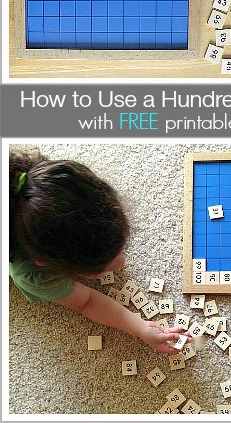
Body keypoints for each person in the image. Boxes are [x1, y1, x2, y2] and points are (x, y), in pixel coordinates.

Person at [9, 148, 189, 354]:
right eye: (100, 269)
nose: (121, 263)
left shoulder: (54, 184)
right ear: (46, 263)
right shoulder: (35, 276)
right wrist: (139, 328)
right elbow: (86, 302)